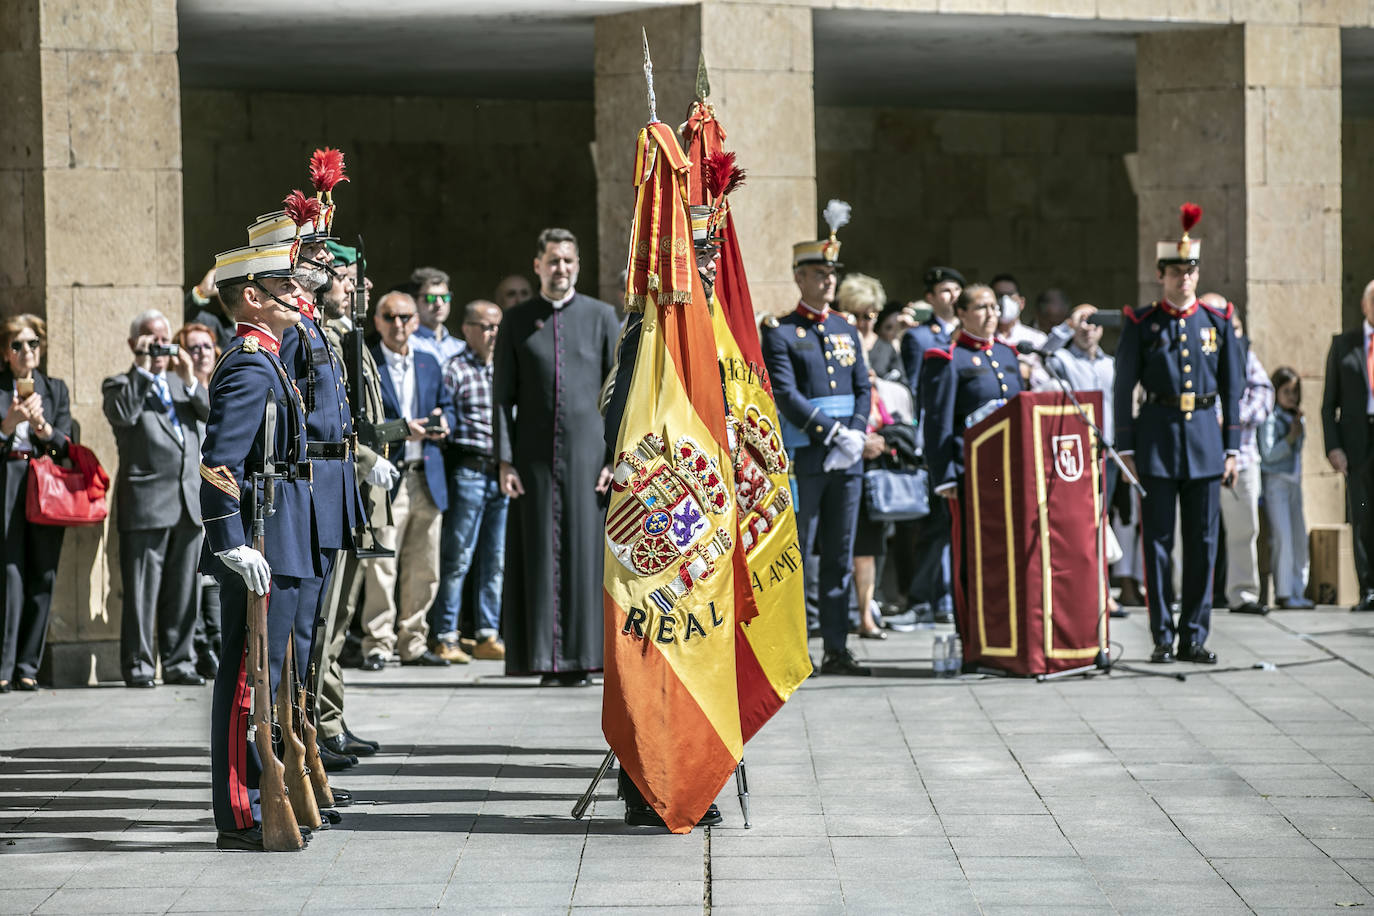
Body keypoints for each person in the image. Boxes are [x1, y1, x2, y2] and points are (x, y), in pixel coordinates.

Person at [203, 236, 319, 851]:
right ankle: (240, 811)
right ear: (253, 297)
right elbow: (219, 461)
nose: (299, 294)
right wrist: (228, 539)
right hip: (258, 539)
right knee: (247, 682)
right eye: (285, 287)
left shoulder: (269, 358)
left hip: (283, 535)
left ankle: (260, 791)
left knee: (270, 674)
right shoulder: (250, 362)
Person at [1114, 204, 1242, 664]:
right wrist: (1126, 448)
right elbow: (1122, 386)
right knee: (1159, 545)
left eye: (1190, 271)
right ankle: (1162, 635)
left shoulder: (1216, 323)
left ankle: (1194, 634)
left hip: (1206, 443)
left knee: (1204, 545)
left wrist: (1232, 448)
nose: (1183, 279)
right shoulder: (1142, 323)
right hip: (1158, 442)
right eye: (1174, 271)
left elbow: (1233, 387)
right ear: (1160, 275)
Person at [493, 227, 619, 687]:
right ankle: (545, 658)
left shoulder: (603, 317)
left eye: (568, 260)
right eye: (553, 261)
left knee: (587, 557)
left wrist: (613, 457)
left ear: (578, 265)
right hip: (533, 459)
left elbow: (618, 394)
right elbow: (501, 395)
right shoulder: (516, 320)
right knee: (538, 555)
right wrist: (504, 461)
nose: (560, 268)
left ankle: (585, 658)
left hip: (591, 459)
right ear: (538, 265)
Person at [759, 202, 873, 676]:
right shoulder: (782, 331)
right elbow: (785, 392)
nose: (828, 281)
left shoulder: (846, 327)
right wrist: (833, 433)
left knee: (839, 555)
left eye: (831, 274)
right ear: (799, 278)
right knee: (799, 555)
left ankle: (837, 647)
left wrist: (858, 434)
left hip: (847, 458)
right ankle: (794, 648)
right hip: (808, 453)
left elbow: (863, 386)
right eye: (818, 274)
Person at [102, 309, 209, 688]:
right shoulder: (120, 384)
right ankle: (139, 666)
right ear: (134, 343)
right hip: (146, 504)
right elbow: (123, 415)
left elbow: (213, 416)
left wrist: (192, 380)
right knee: (141, 593)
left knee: (185, 591)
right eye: (151, 338)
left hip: (188, 502)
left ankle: (180, 662)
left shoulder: (183, 385)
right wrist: (144, 368)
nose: (161, 346)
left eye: (165, 338)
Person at [314, 241, 392, 762]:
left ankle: (331, 717)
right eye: (342, 277)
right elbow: (330, 427)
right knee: (327, 616)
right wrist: (366, 459)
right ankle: (321, 725)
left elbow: (364, 414)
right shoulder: (322, 338)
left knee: (342, 616)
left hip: (359, 488)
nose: (352, 286)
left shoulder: (349, 337)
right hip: (338, 486)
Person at [920, 284, 1024, 653]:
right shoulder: (947, 357)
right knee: (971, 558)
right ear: (962, 313)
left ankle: (1006, 635)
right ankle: (973, 640)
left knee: (1007, 556)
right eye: (982, 307)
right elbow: (937, 423)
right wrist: (944, 475)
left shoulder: (1008, 354)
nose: (991, 314)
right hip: (968, 475)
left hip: (1011, 475)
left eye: (995, 307)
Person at [359, 291, 455, 669]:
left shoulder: (430, 361)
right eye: (390, 317)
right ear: (378, 321)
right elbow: (359, 425)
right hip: (388, 476)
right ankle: (378, 643)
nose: (398, 324)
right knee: (382, 564)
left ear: (416, 321)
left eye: (405, 317)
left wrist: (444, 421)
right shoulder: (368, 363)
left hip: (427, 475)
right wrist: (403, 430)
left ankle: (413, 642)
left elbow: (447, 406)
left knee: (425, 565)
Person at [1037, 303, 1127, 619]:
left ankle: (1103, 590)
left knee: (1102, 521)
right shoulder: (1061, 360)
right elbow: (1038, 356)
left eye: (1094, 323)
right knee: (1079, 523)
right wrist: (1066, 326)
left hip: (1107, 453)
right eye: (1083, 323)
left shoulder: (1112, 365)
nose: (1088, 329)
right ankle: (1084, 591)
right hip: (1074, 454)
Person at [432, 301, 509, 662]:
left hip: (501, 472)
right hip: (468, 469)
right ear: (467, 329)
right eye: (485, 326)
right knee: (458, 556)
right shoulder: (455, 369)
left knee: (495, 558)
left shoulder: (507, 366)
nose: (492, 333)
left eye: (496, 326)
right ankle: (446, 633)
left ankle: (486, 633)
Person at [0, 315, 72, 693]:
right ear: (5, 353)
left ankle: (28, 666)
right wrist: (6, 426)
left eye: (32, 344)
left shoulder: (56, 389)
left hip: (45, 485)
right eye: (17, 345)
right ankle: (4, 666)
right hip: (7, 481)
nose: (26, 352)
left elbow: (68, 443)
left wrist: (45, 430)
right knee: (10, 574)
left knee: (44, 573)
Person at [1200, 298, 1274, 616]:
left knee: (1244, 530)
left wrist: (1234, 417)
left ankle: (1242, 594)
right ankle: (1191, 595)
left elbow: (1264, 392)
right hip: (1198, 458)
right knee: (1194, 532)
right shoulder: (1192, 348)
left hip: (1240, 457)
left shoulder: (1242, 352)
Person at [1321, 281, 1374, 612]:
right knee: (1364, 514)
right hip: (1358, 444)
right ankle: (1368, 587)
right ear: (1364, 305)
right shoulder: (1344, 345)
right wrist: (1333, 447)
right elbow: (1329, 404)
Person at [176, 322, 223, 677]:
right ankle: (200, 643)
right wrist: (190, 380)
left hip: (223, 489)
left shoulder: (225, 383)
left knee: (217, 573)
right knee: (195, 574)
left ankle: (216, 642)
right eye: (193, 348)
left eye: (206, 346)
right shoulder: (179, 389)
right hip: (190, 493)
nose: (201, 353)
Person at [1259, 367, 1313, 609]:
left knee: (1299, 537)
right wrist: (1290, 437)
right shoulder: (1271, 419)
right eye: (1286, 391)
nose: (1291, 397)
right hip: (1276, 483)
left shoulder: (1295, 417)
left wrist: (1297, 431)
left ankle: (1297, 588)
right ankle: (1283, 591)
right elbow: (1268, 454)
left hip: (1293, 482)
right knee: (1283, 537)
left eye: (1295, 392)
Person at [990, 273, 1047, 382]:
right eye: (999, 296)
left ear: (1021, 303)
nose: (1004, 301)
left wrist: (1029, 372)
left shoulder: (1037, 338)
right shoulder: (984, 338)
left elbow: (1046, 378)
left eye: (1010, 295)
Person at [410, 266, 466, 365]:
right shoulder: (407, 346)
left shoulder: (461, 348)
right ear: (414, 301)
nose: (439, 303)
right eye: (431, 298)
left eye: (445, 297)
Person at [184, 264, 235, 351]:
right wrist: (202, 291)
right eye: (223, 288)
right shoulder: (210, 322)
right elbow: (182, 315)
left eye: (234, 287)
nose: (230, 294)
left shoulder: (262, 319)